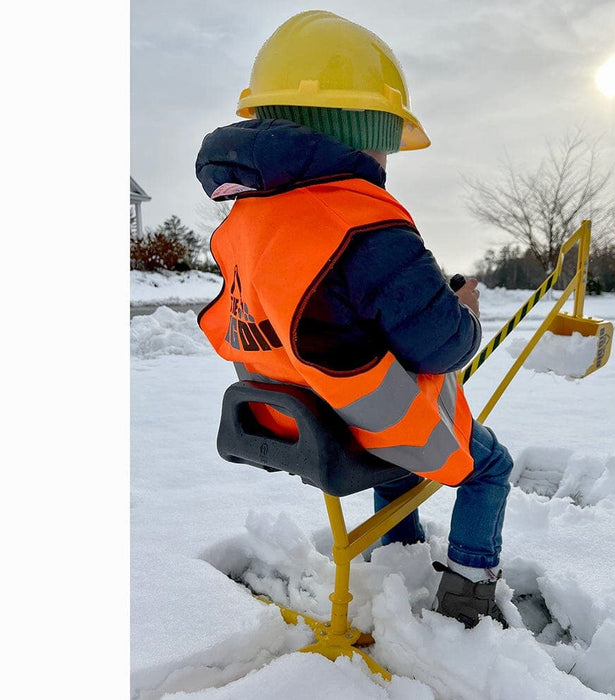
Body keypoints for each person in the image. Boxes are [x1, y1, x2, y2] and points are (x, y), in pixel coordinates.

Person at [195, 10, 514, 629]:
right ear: (362, 127)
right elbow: (441, 346)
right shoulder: (367, 222)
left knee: (401, 458)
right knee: (490, 467)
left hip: (281, 415)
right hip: (365, 422)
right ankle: (468, 602)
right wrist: (466, 314)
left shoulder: (248, 221)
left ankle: (396, 561)